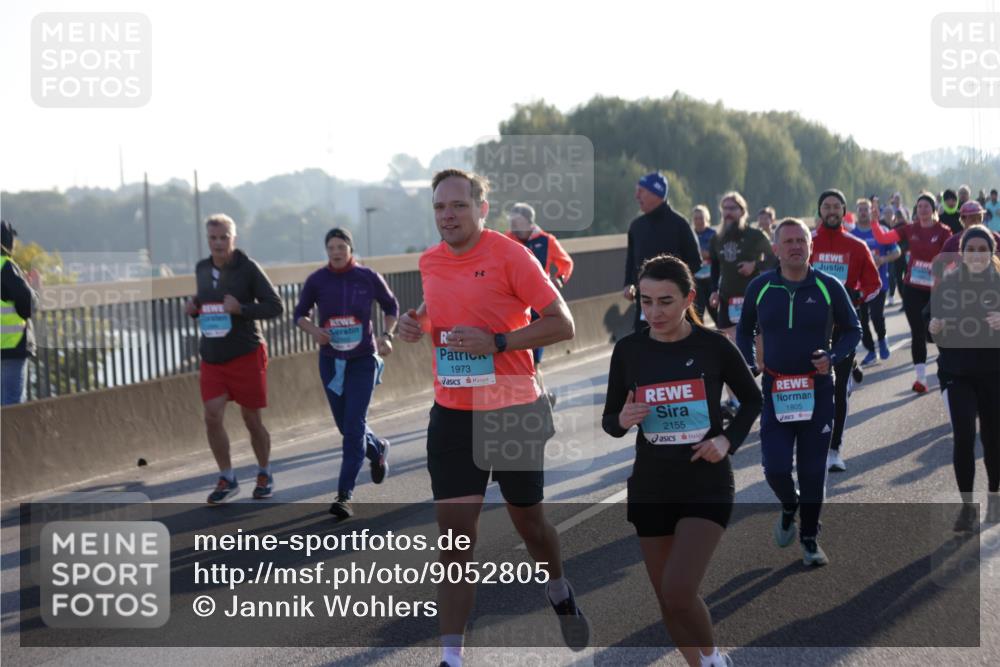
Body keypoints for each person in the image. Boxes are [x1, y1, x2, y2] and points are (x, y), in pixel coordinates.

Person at [397, 169, 588, 667]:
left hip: (511, 411)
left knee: (529, 522)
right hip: (454, 414)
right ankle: (451, 657)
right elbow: (437, 308)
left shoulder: (511, 255)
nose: (447, 215)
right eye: (439, 207)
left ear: (482, 208)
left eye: (458, 206)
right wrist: (415, 323)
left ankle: (558, 585)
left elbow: (561, 323)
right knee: (456, 541)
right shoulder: (430, 261)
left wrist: (499, 341)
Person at [603, 254, 760, 667]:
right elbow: (610, 421)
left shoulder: (713, 346)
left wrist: (728, 441)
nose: (654, 312)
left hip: (704, 480)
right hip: (652, 485)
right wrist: (622, 419)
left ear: (689, 296)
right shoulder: (629, 350)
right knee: (668, 602)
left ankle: (713, 660)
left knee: (678, 590)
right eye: (646, 301)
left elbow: (753, 400)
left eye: (666, 301)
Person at [737, 218, 862, 566]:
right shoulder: (760, 288)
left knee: (812, 472)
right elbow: (744, 331)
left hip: (818, 391)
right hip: (776, 389)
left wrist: (833, 356)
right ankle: (789, 504)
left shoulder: (828, 286)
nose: (794, 246)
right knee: (775, 469)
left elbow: (853, 329)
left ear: (811, 247)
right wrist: (749, 363)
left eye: (800, 240)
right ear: (775, 249)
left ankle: (809, 539)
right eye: (787, 241)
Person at [293, 227, 398, 519]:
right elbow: (299, 314)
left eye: (341, 247)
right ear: (326, 251)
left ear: (350, 249)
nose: (336, 252)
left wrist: (387, 335)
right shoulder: (317, 280)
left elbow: (391, 306)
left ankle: (344, 495)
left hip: (362, 360)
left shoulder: (367, 277)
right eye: (331, 248)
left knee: (353, 427)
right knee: (346, 425)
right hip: (331, 362)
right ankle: (376, 449)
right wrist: (315, 331)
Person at [185, 214, 284, 504]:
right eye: (213, 238)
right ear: (208, 240)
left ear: (233, 238)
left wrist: (240, 308)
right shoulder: (202, 269)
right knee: (212, 416)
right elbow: (208, 304)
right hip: (213, 356)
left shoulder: (248, 268)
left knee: (251, 419)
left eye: (223, 237)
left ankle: (264, 472)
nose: (218, 243)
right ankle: (227, 477)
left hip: (245, 354)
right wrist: (193, 309)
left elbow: (274, 306)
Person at [928, 226, 1000, 530]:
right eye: (971, 250)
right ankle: (967, 506)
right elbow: (929, 320)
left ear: (992, 252)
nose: (977, 255)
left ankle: (994, 499)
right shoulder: (949, 284)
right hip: (957, 372)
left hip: (995, 373)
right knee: (964, 438)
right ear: (962, 253)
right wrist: (933, 326)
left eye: (983, 249)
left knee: (994, 440)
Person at [810, 191, 881, 473]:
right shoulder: (806, 243)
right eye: (826, 206)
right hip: (809, 328)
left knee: (838, 390)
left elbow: (874, 284)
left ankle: (834, 449)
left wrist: (856, 296)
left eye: (836, 207)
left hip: (843, 329)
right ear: (820, 210)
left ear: (843, 211)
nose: (831, 211)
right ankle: (809, 444)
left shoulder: (856, 245)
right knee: (809, 389)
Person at [869, 193, 953, 393]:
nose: (922, 210)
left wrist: (941, 268)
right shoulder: (910, 229)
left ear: (933, 210)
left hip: (936, 289)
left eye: (926, 206)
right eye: (920, 206)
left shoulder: (943, 231)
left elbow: (951, 259)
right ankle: (921, 378)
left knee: (936, 332)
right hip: (913, 287)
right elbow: (883, 237)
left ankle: (949, 371)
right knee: (917, 332)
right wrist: (874, 221)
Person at [709, 192, 775, 415]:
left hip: (754, 300)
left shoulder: (756, 235)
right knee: (730, 351)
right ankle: (735, 401)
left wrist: (754, 266)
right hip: (728, 301)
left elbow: (774, 261)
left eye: (732, 208)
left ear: (742, 211)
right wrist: (714, 291)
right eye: (724, 209)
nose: (728, 213)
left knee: (760, 356)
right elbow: (715, 267)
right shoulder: (717, 238)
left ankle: (765, 392)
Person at [506, 202, 574, 406]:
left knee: (533, 360)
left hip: (539, 309)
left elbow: (566, 263)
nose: (513, 227)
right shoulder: (507, 240)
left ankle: (539, 397)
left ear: (529, 221)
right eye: (511, 222)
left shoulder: (546, 240)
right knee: (519, 358)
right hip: (515, 309)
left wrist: (559, 280)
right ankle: (539, 396)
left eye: (517, 222)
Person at [623, 172, 702, 332]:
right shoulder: (636, 226)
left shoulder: (679, 224)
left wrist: (674, 283)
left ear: (656, 193)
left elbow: (695, 261)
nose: (637, 196)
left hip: (674, 301)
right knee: (643, 346)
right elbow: (631, 260)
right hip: (644, 301)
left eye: (641, 191)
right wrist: (628, 284)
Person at [851, 199, 902, 367]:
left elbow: (897, 252)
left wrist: (882, 259)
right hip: (859, 286)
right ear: (857, 212)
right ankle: (871, 351)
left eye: (866, 209)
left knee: (877, 316)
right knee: (862, 320)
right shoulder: (852, 234)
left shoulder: (882, 230)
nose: (863, 212)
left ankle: (882, 339)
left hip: (879, 282)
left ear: (872, 212)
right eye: (861, 210)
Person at [1, 220, 37, 405]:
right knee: (12, 404)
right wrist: (32, 288)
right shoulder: (5, 267)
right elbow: (27, 305)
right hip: (9, 347)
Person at [691, 205, 717, 323]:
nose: (698, 221)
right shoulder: (690, 235)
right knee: (697, 315)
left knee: (716, 313)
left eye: (701, 218)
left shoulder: (713, 234)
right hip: (696, 280)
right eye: (696, 218)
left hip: (712, 278)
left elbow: (718, 253)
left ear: (707, 218)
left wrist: (708, 253)